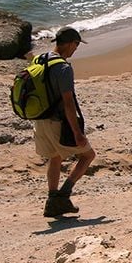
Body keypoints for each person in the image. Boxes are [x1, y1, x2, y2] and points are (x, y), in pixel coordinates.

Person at [33, 26, 96, 218]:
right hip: (57, 122)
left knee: (55, 157)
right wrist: (77, 133)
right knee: (88, 155)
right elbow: (68, 102)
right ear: (69, 43)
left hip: (40, 121)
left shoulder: (39, 60)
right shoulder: (63, 67)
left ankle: (52, 200)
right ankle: (63, 195)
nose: (76, 49)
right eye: (76, 44)